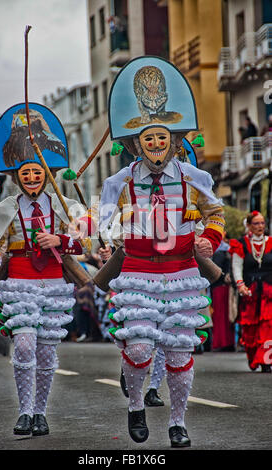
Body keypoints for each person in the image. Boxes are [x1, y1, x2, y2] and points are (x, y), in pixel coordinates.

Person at [98, 56, 225, 447]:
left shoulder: (195, 178)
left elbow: (215, 213)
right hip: (137, 271)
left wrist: (211, 239)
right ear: (136, 143)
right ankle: (136, 405)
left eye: (162, 138)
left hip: (184, 272)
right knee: (138, 347)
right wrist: (105, 243)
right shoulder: (117, 182)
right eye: (148, 138)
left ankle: (177, 422)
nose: (156, 144)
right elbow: (100, 225)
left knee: (178, 351)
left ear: (174, 141)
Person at [0, 103, 94, 436]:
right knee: (26, 345)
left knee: (46, 352)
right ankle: (25, 411)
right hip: (19, 281)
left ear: (47, 173)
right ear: (16, 176)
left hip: (53, 283)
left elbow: (85, 240)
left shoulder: (64, 204)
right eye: (25, 173)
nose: (32, 177)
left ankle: (41, 412)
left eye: (37, 172)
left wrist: (59, 238)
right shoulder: (2, 209)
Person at [229, 211, 272, 372]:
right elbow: (237, 267)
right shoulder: (241, 244)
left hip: (269, 292)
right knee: (250, 329)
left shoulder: (271, 242)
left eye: (262, 223)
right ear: (249, 225)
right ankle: (254, 357)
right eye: (256, 223)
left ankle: (267, 361)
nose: (260, 226)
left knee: (268, 326)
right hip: (250, 292)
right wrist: (240, 285)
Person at [211, 233, 235, 351]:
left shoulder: (219, 252)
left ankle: (222, 342)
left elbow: (215, 272)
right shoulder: (226, 251)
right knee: (225, 316)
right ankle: (227, 342)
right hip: (224, 287)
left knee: (220, 316)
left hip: (219, 287)